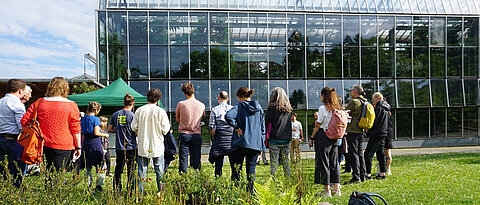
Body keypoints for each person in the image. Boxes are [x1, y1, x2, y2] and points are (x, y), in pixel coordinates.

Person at [21, 77, 81, 174]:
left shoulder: (39, 102)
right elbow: (76, 128)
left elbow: (24, 121)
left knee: (47, 174)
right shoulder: (71, 105)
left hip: (42, 144)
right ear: (65, 88)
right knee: (57, 176)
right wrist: (78, 147)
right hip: (64, 145)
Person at [225, 87, 265, 193]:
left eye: (238, 98)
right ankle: (250, 195)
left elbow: (228, 116)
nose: (237, 100)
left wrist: (237, 127)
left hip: (240, 143)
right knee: (251, 172)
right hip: (254, 144)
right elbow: (262, 128)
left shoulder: (239, 106)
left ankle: (235, 192)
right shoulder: (259, 108)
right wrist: (261, 144)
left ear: (242, 97)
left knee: (236, 171)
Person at [131, 89, 170, 195]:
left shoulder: (139, 110)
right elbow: (165, 130)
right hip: (157, 145)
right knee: (159, 171)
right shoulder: (161, 111)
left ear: (147, 97)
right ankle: (161, 192)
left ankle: (140, 194)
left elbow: (133, 127)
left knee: (142, 171)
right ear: (158, 99)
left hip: (143, 144)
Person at [308, 87, 342, 197]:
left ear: (323, 96)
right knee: (334, 162)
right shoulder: (336, 108)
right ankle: (336, 189)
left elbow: (318, 124)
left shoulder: (322, 108)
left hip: (323, 136)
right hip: (334, 136)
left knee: (323, 162)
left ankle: (327, 190)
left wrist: (312, 137)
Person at [0, 79, 27, 187]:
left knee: (2, 171)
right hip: (13, 139)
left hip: (1, 137)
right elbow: (22, 126)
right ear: (20, 90)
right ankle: (16, 195)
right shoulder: (17, 104)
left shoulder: (1, 101)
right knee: (17, 171)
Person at [108, 93, 137, 193]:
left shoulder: (116, 114)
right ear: (133, 103)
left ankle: (117, 189)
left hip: (119, 146)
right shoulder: (133, 115)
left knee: (118, 168)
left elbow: (110, 129)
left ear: (123, 102)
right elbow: (136, 132)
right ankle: (131, 191)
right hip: (131, 146)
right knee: (131, 169)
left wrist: (119, 131)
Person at [176, 83, 205, 174]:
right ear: (194, 91)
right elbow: (202, 117)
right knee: (196, 157)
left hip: (184, 133)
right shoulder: (201, 105)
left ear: (185, 93)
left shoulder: (181, 104)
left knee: (183, 158)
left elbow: (177, 118)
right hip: (196, 134)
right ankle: (196, 175)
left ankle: (183, 177)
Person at [81, 102, 109, 192]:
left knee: (88, 166)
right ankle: (99, 185)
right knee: (100, 166)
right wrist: (105, 135)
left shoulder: (83, 119)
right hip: (95, 143)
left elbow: (81, 132)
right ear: (96, 110)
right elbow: (96, 133)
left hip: (86, 143)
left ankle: (88, 186)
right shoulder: (96, 119)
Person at [265, 87, 292, 177]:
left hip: (275, 138)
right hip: (286, 138)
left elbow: (266, 121)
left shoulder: (272, 107)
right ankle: (287, 180)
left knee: (274, 162)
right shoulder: (288, 107)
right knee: (286, 162)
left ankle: (274, 182)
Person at [344, 84, 367, 185]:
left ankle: (356, 176)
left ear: (356, 92)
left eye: (351, 91)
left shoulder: (354, 102)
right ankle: (363, 175)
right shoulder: (364, 101)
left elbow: (345, 112)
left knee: (353, 153)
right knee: (360, 153)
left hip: (353, 130)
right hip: (360, 129)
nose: (350, 92)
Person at [364, 92, 390, 180]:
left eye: (373, 99)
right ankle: (382, 173)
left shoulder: (379, 107)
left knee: (368, 154)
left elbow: (375, 120)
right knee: (381, 154)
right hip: (383, 133)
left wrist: (368, 129)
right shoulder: (386, 107)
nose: (373, 101)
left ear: (378, 98)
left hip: (376, 133)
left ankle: (367, 174)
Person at [208, 91, 234, 177]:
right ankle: (235, 179)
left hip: (220, 137)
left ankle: (218, 178)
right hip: (231, 138)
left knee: (218, 163)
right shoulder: (233, 108)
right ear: (228, 99)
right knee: (233, 163)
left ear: (219, 98)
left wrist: (213, 137)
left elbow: (212, 126)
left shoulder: (214, 110)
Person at [384, 98, 393, 176]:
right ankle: (386, 168)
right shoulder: (388, 111)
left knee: (387, 151)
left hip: (386, 131)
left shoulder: (384, 111)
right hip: (387, 130)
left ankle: (388, 168)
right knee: (386, 151)